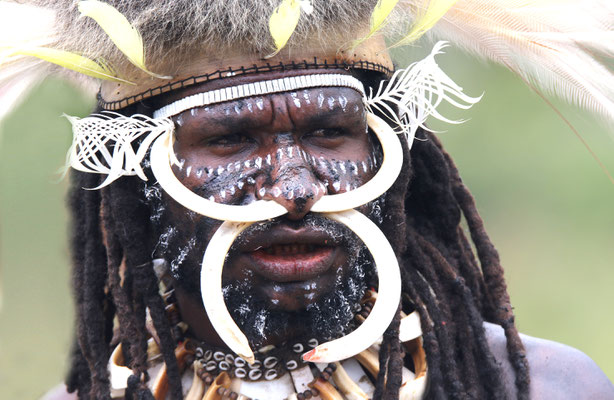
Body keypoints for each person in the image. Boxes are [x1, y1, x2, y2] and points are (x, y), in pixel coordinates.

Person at [2, 1, 613, 399]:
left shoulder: (541, 388)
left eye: (328, 132)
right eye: (231, 140)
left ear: (385, 152)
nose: (295, 191)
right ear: (141, 174)